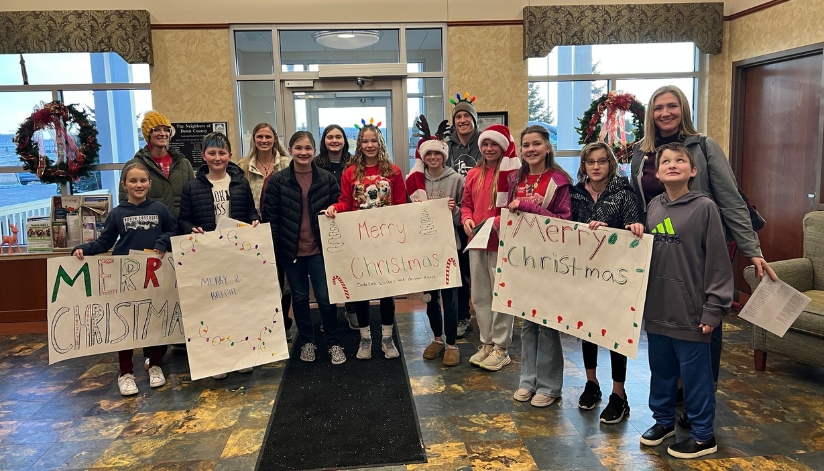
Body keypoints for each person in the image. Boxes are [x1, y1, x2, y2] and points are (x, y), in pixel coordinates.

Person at [630, 85, 777, 426]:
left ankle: (700, 406)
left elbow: (730, 199)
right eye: (658, 108)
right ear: (650, 114)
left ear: (683, 109)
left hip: (699, 251)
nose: (665, 113)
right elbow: (639, 205)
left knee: (702, 329)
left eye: (672, 106)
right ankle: (672, 403)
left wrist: (751, 250)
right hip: (660, 252)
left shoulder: (704, 146)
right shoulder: (641, 153)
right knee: (665, 342)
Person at [628, 142, 733, 459]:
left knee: (696, 377)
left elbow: (717, 262)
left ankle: (703, 436)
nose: (672, 164)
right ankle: (663, 422)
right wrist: (636, 230)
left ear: (693, 170)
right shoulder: (654, 207)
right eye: (666, 161)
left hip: (692, 312)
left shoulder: (705, 208)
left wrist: (713, 308)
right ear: (657, 173)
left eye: (680, 160)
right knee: (660, 370)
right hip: (658, 310)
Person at [73, 162, 177, 396]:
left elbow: (173, 230)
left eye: (142, 181)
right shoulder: (118, 213)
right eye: (133, 181)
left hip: (154, 275)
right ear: (124, 185)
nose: (138, 185)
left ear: (150, 184)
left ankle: (156, 365)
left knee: (154, 319)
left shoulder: (160, 209)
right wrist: (83, 249)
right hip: (126, 277)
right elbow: (105, 241)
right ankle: (126, 372)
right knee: (126, 324)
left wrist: (162, 242)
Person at [178, 132, 260, 379]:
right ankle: (219, 360)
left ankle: (242, 356)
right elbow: (183, 219)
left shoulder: (240, 183)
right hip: (208, 256)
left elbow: (250, 212)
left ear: (230, 155)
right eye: (212, 153)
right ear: (203, 156)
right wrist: (190, 229)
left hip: (236, 255)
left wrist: (255, 221)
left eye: (222, 153)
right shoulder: (192, 187)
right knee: (214, 307)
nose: (217, 157)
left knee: (238, 305)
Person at [571, 142, 642, 422]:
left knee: (614, 333)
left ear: (610, 164)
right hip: (584, 274)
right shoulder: (575, 194)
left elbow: (633, 230)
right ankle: (592, 383)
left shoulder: (624, 193)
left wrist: (625, 229)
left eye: (602, 161)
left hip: (615, 277)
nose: (596, 167)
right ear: (584, 165)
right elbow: (566, 226)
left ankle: (618, 394)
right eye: (591, 162)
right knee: (587, 329)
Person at [324, 120, 407, 360]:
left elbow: (401, 205)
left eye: (373, 140)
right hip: (359, 241)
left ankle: (387, 338)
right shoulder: (350, 172)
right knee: (360, 290)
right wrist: (334, 209)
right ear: (359, 144)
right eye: (365, 141)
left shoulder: (393, 171)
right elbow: (346, 203)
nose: (369, 145)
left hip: (387, 241)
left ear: (380, 142)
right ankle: (365, 339)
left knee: (386, 291)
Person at [263, 131, 345, 365]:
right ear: (290, 150)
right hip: (291, 252)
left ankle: (333, 342)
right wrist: (277, 251)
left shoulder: (327, 178)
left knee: (325, 297)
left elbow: (339, 206)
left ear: (314, 151)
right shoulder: (278, 180)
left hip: (320, 250)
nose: (303, 152)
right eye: (298, 148)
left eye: (308, 148)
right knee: (299, 298)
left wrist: (335, 209)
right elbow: (271, 217)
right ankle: (307, 341)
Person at [120, 111, 194, 369]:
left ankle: (182, 339)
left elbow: (193, 195)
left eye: (165, 130)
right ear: (148, 135)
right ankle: (154, 351)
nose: (162, 134)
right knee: (153, 296)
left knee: (180, 292)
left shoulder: (182, 163)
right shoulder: (136, 165)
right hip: (150, 241)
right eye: (156, 130)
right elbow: (125, 206)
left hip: (180, 236)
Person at [506, 125, 571, 406]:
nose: (530, 149)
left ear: (547, 146)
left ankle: (549, 385)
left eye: (536, 144)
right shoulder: (514, 179)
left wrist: (530, 207)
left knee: (547, 324)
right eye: (526, 145)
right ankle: (527, 380)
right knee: (526, 323)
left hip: (550, 259)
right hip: (522, 259)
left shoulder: (559, 180)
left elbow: (564, 222)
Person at [461, 124, 521, 372]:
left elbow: (516, 208)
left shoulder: (513, 174)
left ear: (503, 146)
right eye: (485, 144)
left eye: (493, 144)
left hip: (501, 242)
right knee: (480, 295)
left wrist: (496, 222)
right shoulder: (474, 174)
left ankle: (501, 347)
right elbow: (466, 203)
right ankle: (486, 342)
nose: (488, 149)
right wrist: (466, 218)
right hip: (476, 240)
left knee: (500, 295)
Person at [406, 116, 464, 367]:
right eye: (428, 154)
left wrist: (454, 210)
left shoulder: (456, 180)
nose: (432, 158)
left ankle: (452, 343)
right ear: (423, 156)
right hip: (425, 248)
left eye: (437, 155)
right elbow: (407, 215)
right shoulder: (415, 182)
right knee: (430, 297)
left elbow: (465, 213)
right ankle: (437, 338)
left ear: (444, 156)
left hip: (449, 245)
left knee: (451, 297)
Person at [237, 123, 294, 342]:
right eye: (259, 136)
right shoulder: (242, 166)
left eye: (268, 136)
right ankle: (263, 324)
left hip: (282, 227)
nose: (264, 140)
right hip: (253, 230)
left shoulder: (287, 164)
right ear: (254, 139)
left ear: (274, 139)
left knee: (283, 278)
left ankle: (284, 323)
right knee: (260, 280)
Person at [316, 124, 359, 332]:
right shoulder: (315, 164)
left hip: (349, 223)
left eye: (338, 137)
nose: (334, 141)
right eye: (330, 137)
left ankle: (351, 309)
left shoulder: (354, 164)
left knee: (350, 268)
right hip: (324, 223)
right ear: (324, 140)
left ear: (344, 140)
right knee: (328, 272)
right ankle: (329, 315)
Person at [447, 93, 480, 339]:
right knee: (458, 268)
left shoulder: (485, 142)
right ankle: (462, 316)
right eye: (458, 116)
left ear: (474, 119)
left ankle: (484, 312)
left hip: (480, 213)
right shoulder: (446, 146)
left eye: (466, 115)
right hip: (453, 214)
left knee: (477, 268)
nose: (462, 120)